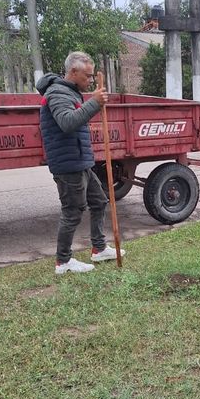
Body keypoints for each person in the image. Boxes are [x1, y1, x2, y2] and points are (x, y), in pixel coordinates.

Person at [37, 51, 125, 274]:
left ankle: (98, 248)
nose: (90, 80)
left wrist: (91, 102)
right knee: (73, 211)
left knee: (99, 200)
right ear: (73, 72)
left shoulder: (71, 92)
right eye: (87, 76)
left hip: (80, 161)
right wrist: (94, 103)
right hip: (68, 165)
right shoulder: (57, 93)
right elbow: (67, 123)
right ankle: (63, 261)